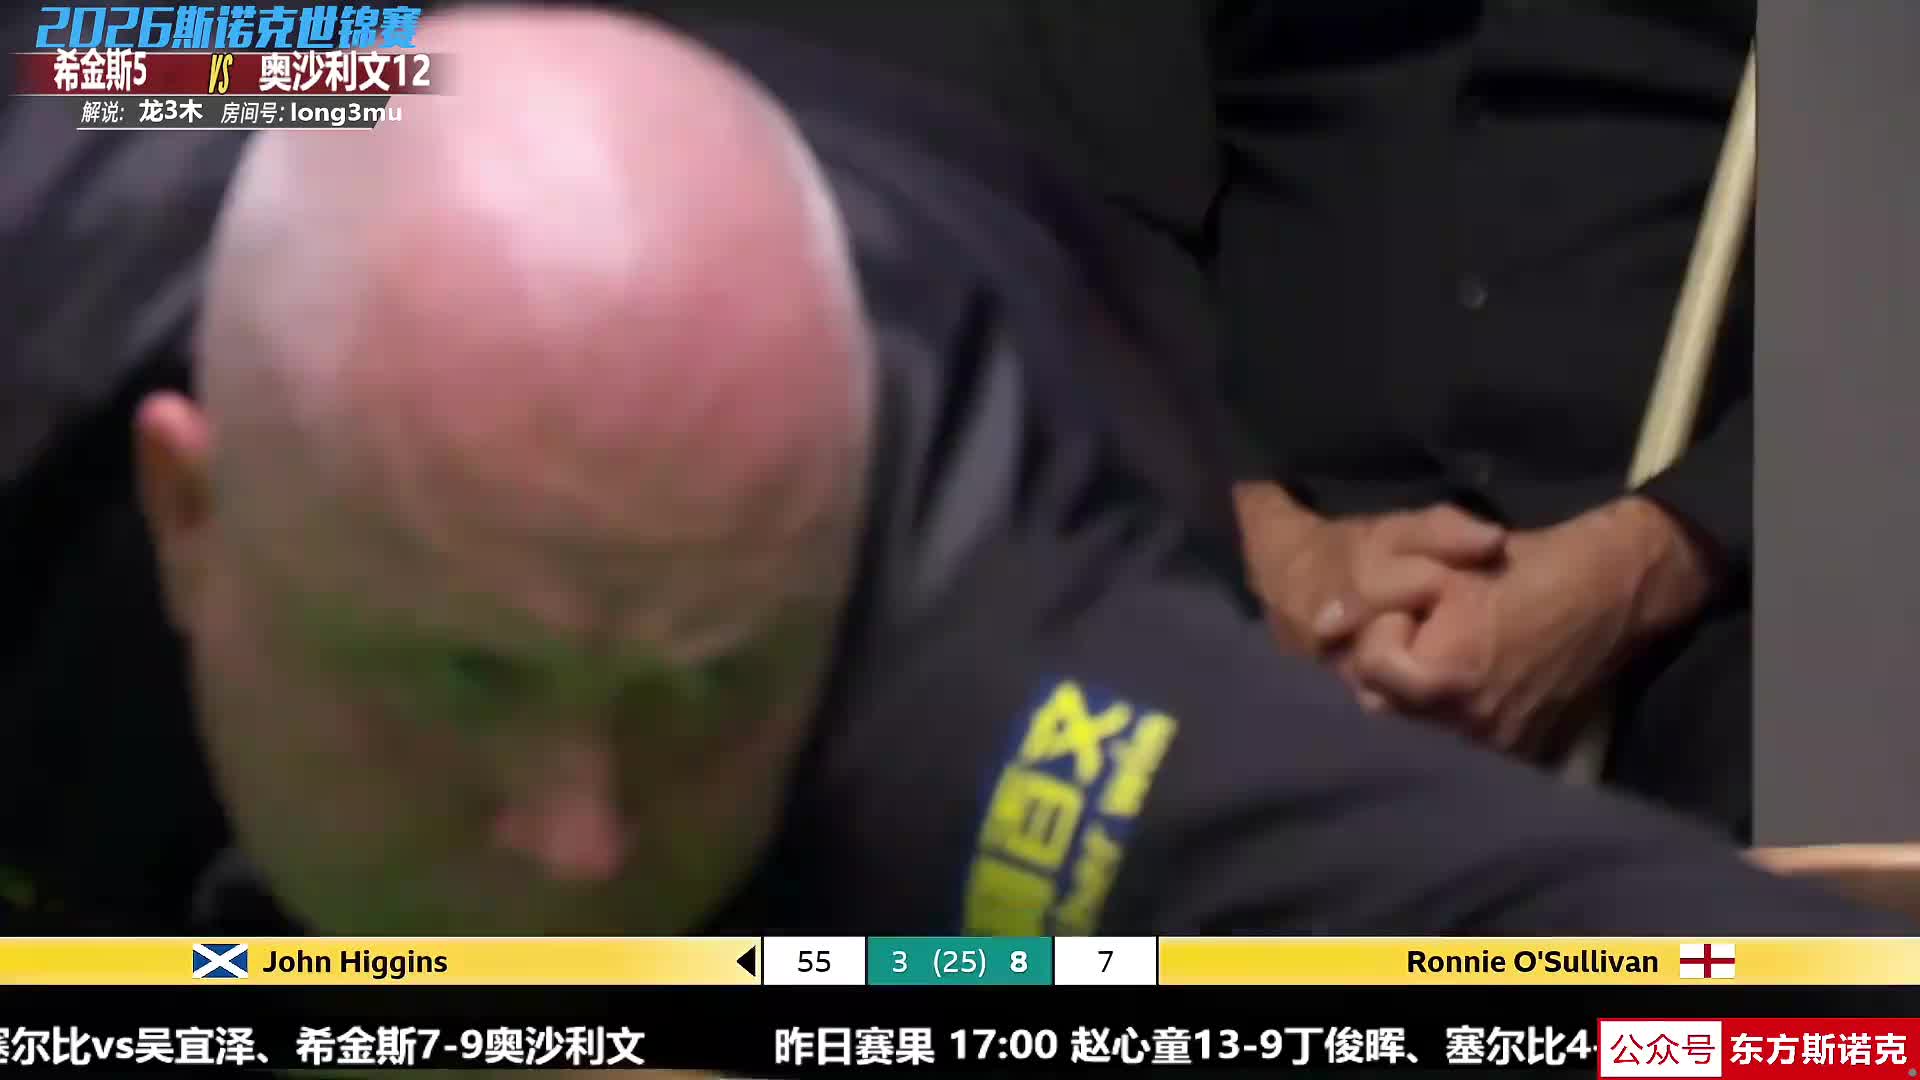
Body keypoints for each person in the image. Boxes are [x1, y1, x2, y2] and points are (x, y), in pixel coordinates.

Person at [0, 8, 1893, 937]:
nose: (583, 838)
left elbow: (1717, 992)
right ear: (193, 514)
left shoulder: (981, 634)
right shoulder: (77, 234)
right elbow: (128, 61)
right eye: (471, 671)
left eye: (690, 685)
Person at [1216, 2, 1756, 836]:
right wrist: (1268, 549)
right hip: (1215, 555)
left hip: (1728, 573)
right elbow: (1072, 216)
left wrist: (1655, 560)